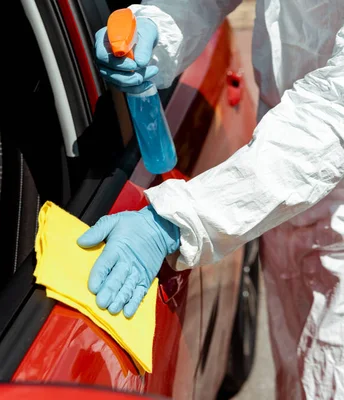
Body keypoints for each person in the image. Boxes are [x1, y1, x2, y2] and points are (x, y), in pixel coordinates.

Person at [77, 1, 344, 399]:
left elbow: (332, 113)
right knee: (299, 374)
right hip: (285, 191)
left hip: (325, 187)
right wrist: (155, 30)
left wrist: (179, 219)